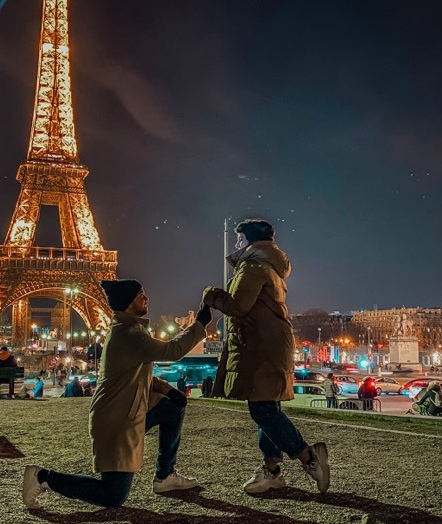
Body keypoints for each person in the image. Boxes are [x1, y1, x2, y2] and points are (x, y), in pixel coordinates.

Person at [22, 278, 211, 509]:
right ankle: (41, 477)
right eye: (142, 294)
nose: (146, 298)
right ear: (130, 301)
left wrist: (170, 391)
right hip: (116, 421)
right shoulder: (129, 333)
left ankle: (165, 475)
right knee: (112, 496)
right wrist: (199, 325)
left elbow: (140, 376)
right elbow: (173, 351)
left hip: (128, 411)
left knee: (173, 408)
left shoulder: (128, 330)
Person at [202, 218, 330, 495]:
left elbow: (238, 306)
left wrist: (212, 296)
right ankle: (271, 470)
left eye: (239, 239)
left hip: (259, 347)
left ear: (249, 241)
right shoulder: (271, 268)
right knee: (267, 409)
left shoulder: (252, 267)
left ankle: (308, 456)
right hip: (271, 345)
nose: (236, 244)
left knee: (261, 410)